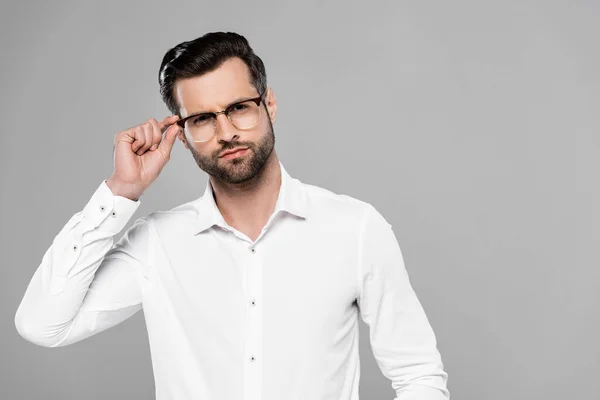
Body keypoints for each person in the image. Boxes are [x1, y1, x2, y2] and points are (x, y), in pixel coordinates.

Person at [14, 31, 449, 400]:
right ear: (181, 135)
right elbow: (42, 325)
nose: (226, 133)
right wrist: (121, 192)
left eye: (239, 107)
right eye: (202, 118)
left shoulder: (354, 229)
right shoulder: (157, 245)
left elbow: (419, 376)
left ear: (269, 104)